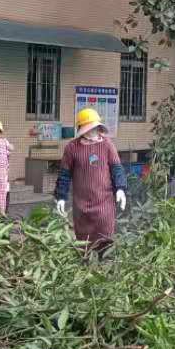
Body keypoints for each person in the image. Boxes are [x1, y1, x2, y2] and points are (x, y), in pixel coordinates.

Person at [55, 107, 127, 254]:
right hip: (81, 204)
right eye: (89, 129)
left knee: (105, 235)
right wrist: (61, 196)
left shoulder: (107, 145)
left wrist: (120, 188)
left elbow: (117, 168)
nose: (92, 132)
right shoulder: (72, 148)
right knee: (84, 239)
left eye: (95, 128)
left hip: (104, 201)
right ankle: (86, 264)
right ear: (82, 129)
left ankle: (104, 264)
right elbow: (64, 174)